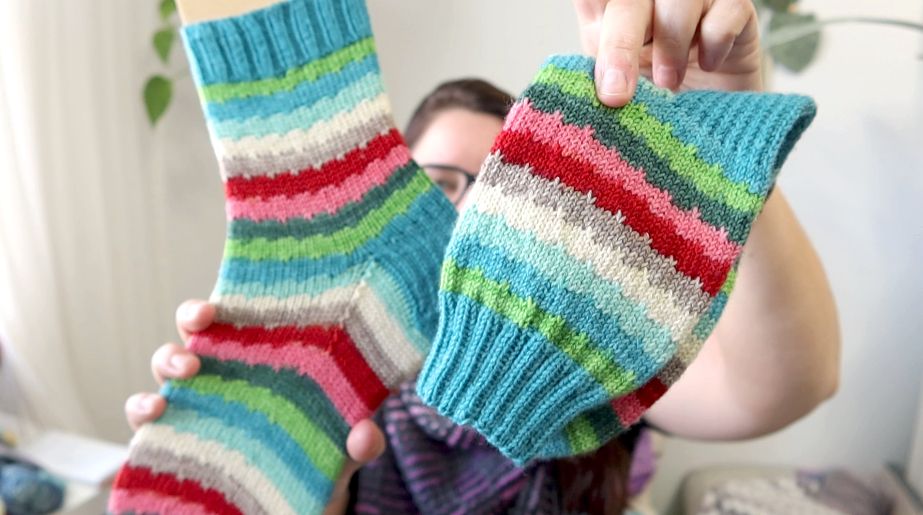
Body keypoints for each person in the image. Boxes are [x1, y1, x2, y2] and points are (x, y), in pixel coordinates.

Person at [125, 0, 841, 512]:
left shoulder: (588, 349)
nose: (464, 215)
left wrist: (717, 163)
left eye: (501, 189)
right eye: (437, 185)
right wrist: (320, 486)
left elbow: (789, 383)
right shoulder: (360, 402)